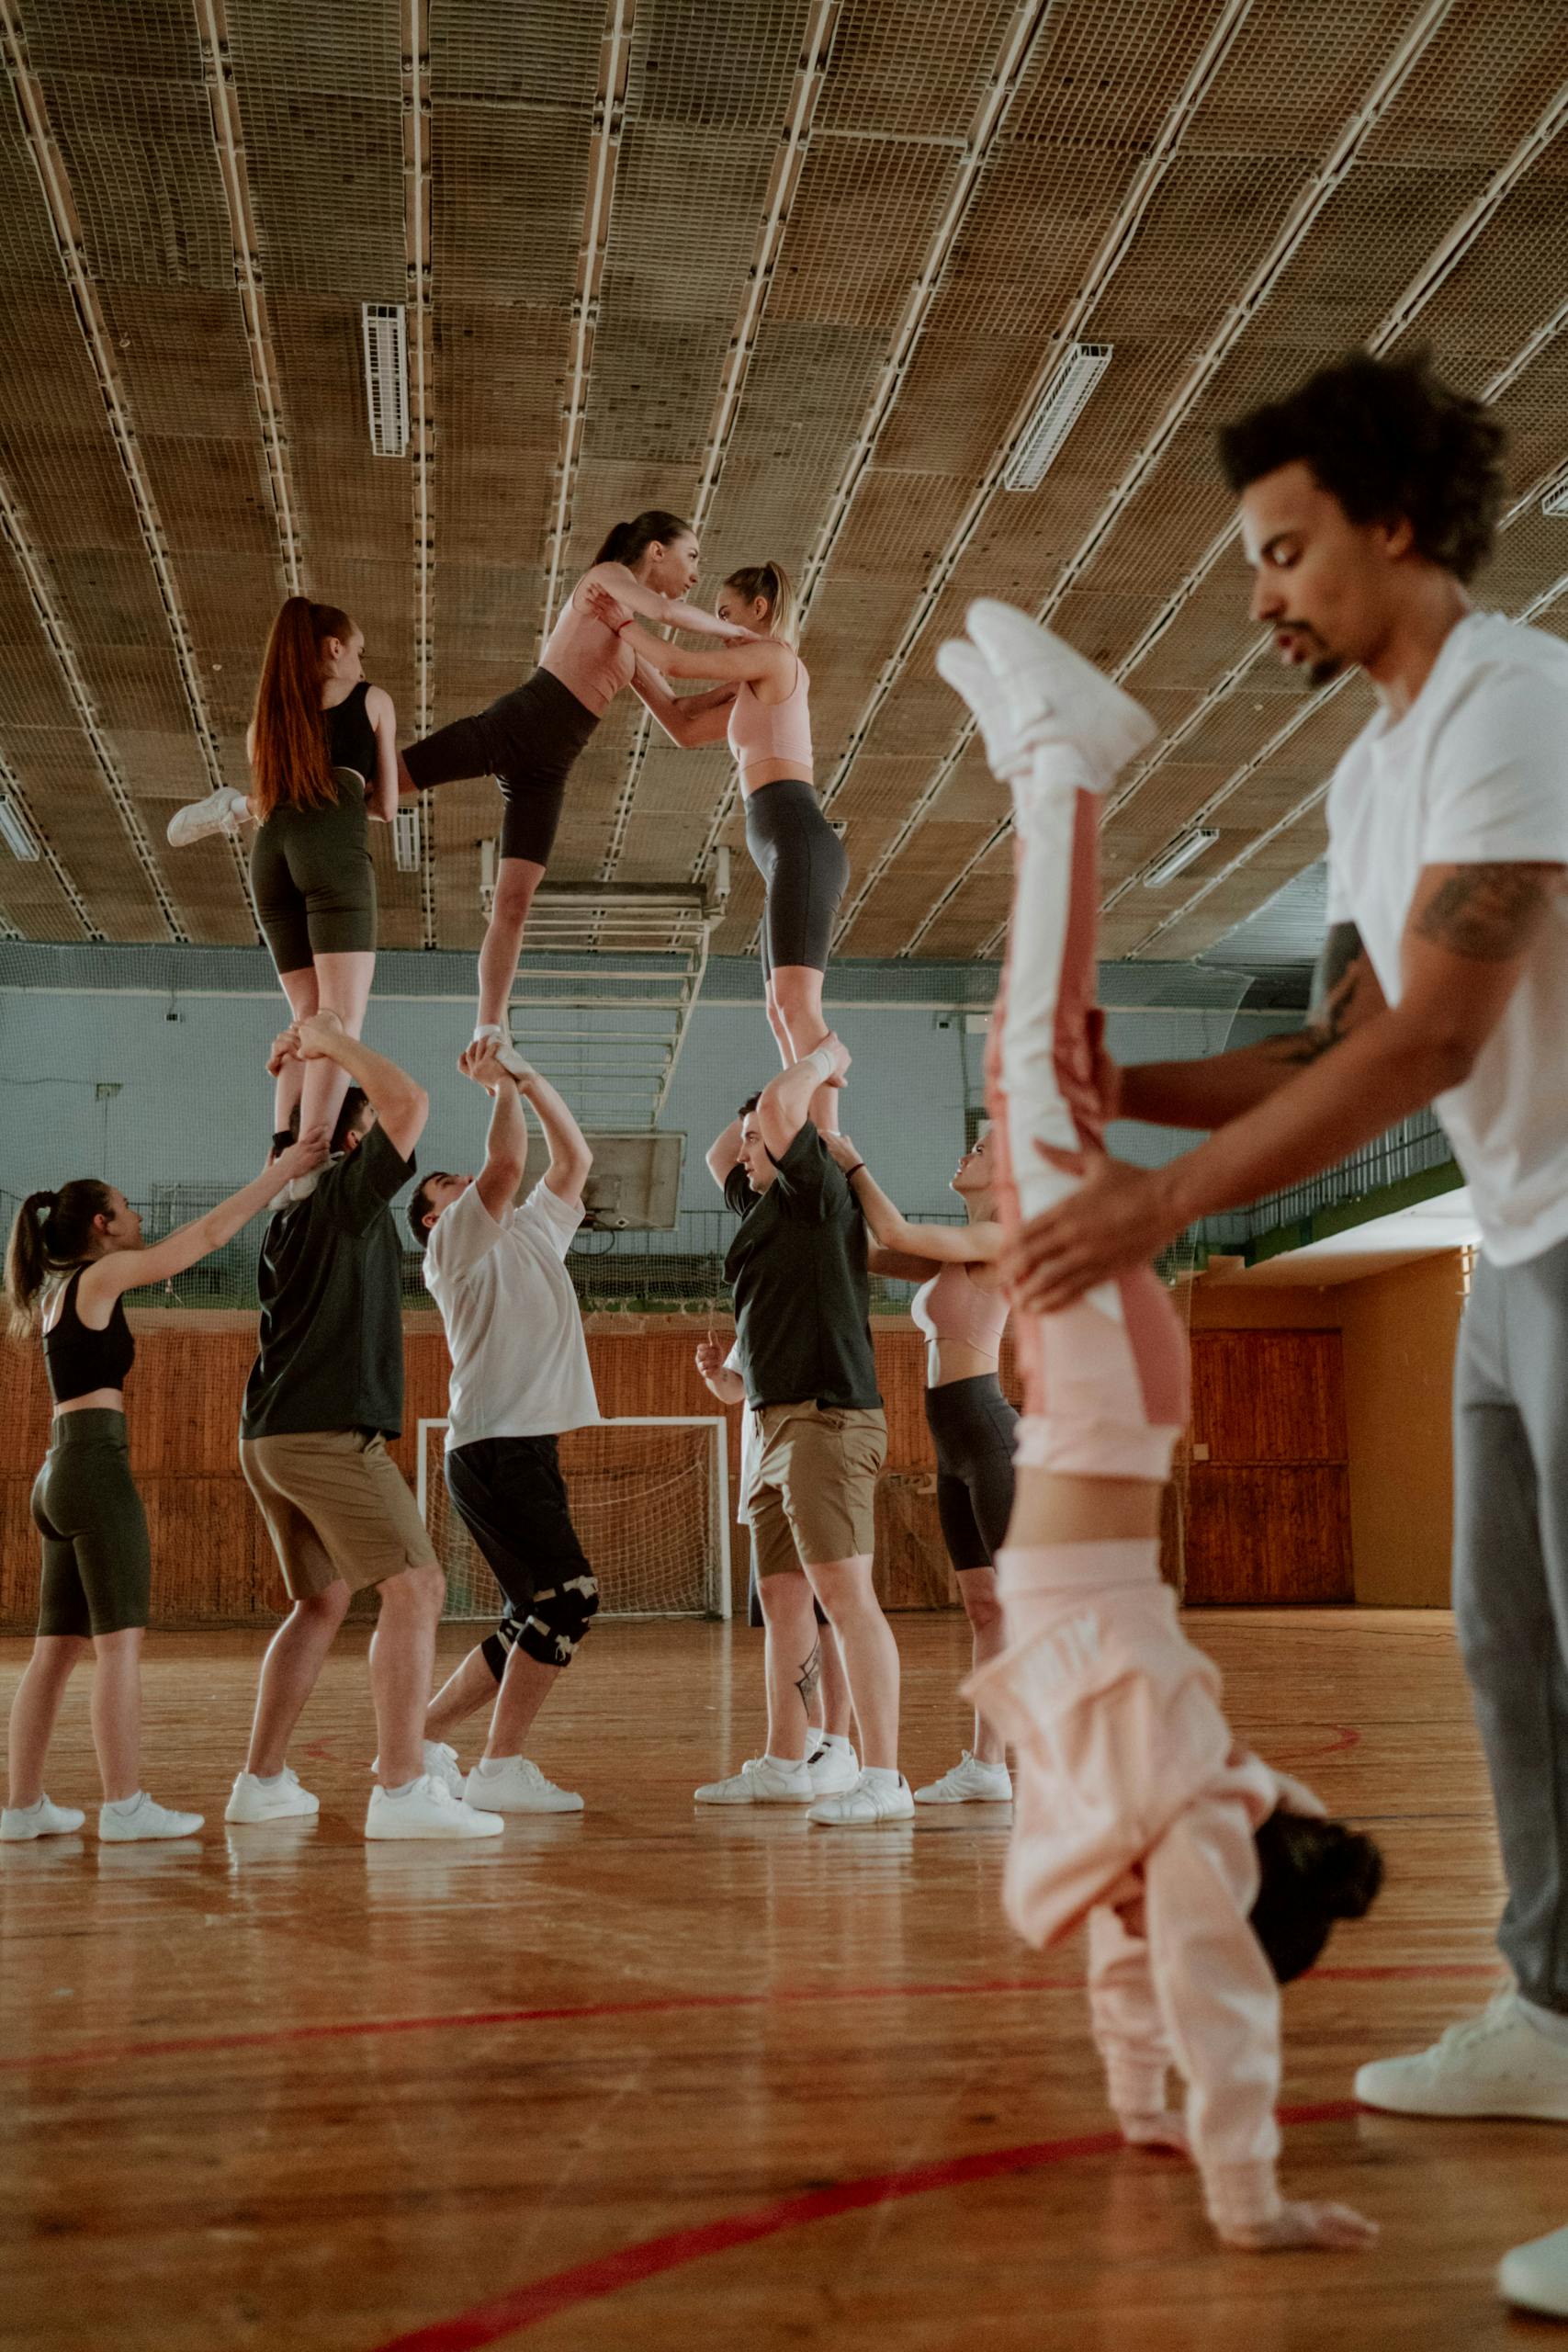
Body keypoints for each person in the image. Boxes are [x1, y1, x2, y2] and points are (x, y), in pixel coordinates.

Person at [991, 353, 1568, 2312]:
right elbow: (1333, 1041)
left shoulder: (1515, 699)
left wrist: (1153, 1204)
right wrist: (1125, 1083)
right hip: (1518, 1239)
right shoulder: (1361, 771)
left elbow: (1433, 1035)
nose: (1261, 595)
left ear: (1393, 525)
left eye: (1283, 550)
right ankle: (1550, 2005)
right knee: (1506, 1647)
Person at [935, 594, 1376, 2251]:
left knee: (1044, 1076)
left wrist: (1133, 2111)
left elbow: (1139, 1965)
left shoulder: (1141, 1819)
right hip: (1109, 1420)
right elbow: (1202, 1977)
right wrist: (1243, 2190)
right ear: (1236, 1875)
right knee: (1031, 1084)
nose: (1151, 1916)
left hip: (1096, 1424)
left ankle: (1045, 774)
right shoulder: (1186, 1815)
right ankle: (1063, 770)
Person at [2, 1130, 327, 1842]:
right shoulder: (97, 1278)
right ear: (101, 1225)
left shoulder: (58, 1292)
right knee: (118, 1646)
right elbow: (206, 1234)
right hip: (91, 1467)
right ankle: (124, 1807)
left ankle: (22, 1808)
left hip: (57, 1472)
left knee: (54, 1651)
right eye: (127, 1210)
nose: (139, 1221)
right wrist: (281, 1173)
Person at [226, 1011, 501, 1841]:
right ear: (351, 1143)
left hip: (267, 1437)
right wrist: (330, 1037)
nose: (382, 1131)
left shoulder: (291, 1200)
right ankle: (401, 1787)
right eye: (365, 1123)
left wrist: (290, 1067)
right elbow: (409, 1101)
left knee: (321, 1604)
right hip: (321, 1434)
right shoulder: (344, 1198)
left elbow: (293, 1137)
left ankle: (261, 1782)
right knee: (416, 1586)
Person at [395, 513, 753, 1071]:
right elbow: (665, 612)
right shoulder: (605, 578)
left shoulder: (628, 638)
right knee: (384, 785)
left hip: (547, 771)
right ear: (656, 550)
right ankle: (285, 789)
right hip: (514, 725)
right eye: (693, 556)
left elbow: (681, 721)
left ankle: (490, 1027)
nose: (696, 572)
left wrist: (744, 686)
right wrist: (739, 637)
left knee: (513, 903)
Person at [705, 1056, 910, 1824]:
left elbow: (788, 1111)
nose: (747, 1149)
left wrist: (820, 1054)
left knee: (843, 1598)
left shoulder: (816, 1195)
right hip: (771, 1422)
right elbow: (717, 1153)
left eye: (763, 1139)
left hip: (826, 1419)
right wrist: (756, 1105)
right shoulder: (763, 1207)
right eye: (753, 1138)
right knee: (781, 1595)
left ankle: (883, 1778)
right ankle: (785, 1764)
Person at [405, 1042, 601, 1813]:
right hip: (492, 1446)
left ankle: (414, 1736)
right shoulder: (452, 1250)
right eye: (447, 1183)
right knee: (569, 1599)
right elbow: (508, 1166)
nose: (468, 1180)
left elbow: (573, 1158)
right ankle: (497, 1768)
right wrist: (497, 1090)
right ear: (432, 1218)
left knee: (533, 1610)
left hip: (518, 1446)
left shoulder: (532, 1235)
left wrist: (525, 1077)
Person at [821, 1125, 1013, 1803]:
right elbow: (870, 1251)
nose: (965, 1153)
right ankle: (988, 1768)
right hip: (952, 1442)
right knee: (985, 1606)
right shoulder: (951, 1255)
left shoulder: (1000, 1238)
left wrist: (853, 1160)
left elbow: (896, 1232)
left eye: (982, 1150)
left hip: (988, 1435)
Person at [165, 597, 399, 1152]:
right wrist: (346, 792)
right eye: (359, 652)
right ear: (334, 648)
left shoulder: (263, 726)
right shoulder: (371, 700)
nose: (362, 666)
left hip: (270, 857)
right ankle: (310, 1157)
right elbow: (387, 806)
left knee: (306, 1018)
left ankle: (281, 1147)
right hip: (329, 854)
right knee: (334, 1024)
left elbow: (284, 800)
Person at [621, 561, 847, 1131]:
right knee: (778, 1009)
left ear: (760, 610)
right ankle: (802, 1126)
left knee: (798, 1005)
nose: (721, 627)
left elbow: (676, 661)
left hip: (799, 840)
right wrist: (627, 662)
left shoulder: (775, 658)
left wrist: (618, 621)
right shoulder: (751, 682)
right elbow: (680, 721)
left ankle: (828, 1140)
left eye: (725, 615)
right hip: (781, 849)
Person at [693, 1330, 859, 1798]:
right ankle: (804, 1740)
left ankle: (838, 1744)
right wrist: (714, 1372)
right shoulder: (756, 1318)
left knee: (825, 1618)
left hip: (806, 1473)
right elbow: (734, 1388)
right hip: (763, 1481)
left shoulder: (807, 1306)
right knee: (788, 1617)